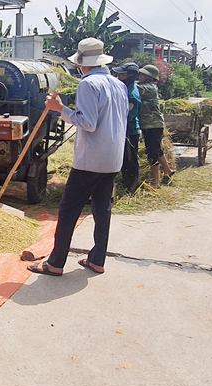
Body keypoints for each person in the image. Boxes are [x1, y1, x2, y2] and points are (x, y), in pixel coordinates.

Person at [27, 38, 128, 276]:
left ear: (83, 63)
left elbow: (87, 123)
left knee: (69, 209)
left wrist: (58, 108)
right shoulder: (118, 85)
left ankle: (55, 263)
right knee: (102, 208)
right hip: (113, 158)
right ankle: (97, 259)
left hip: (91, 160)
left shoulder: (88, 84)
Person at [137, 64, 175, 187]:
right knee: (157, 149)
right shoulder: (147, 86)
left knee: (152, 152)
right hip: (150, 125)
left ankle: (155, 182)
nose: (140, 76)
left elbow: (134, 88)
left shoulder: (149, 88)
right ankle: (168, 171)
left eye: (142, 75)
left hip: (153, 125)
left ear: (149, 78)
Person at [112, 62, 142, 192]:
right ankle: (126, 183)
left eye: (122, 74)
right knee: (124, 158)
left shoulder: (132, 95)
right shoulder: (124, 88)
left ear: (130, 76)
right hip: (124, 130)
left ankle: (132, 186)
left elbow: (127, 115)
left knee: (130, 160)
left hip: (130, 131)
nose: (118, 77)